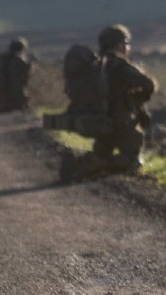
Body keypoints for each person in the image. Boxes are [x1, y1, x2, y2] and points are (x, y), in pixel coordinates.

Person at [59, 25, 158, 181]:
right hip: (121, 123)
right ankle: (92, 163)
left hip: (101, 123)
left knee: (102, 152)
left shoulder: (95, 66)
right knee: (133, 161)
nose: (127, 48)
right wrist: (139, 98)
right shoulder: (118, 65)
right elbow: (148, 84)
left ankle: (81, 163)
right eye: (126, 44)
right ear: (120, 45)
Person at [0, 37, 33, 112]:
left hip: (8, 81)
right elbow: (24, 68)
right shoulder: (17, 59)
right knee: (21, 96)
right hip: (14, 81)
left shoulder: (6, 57)